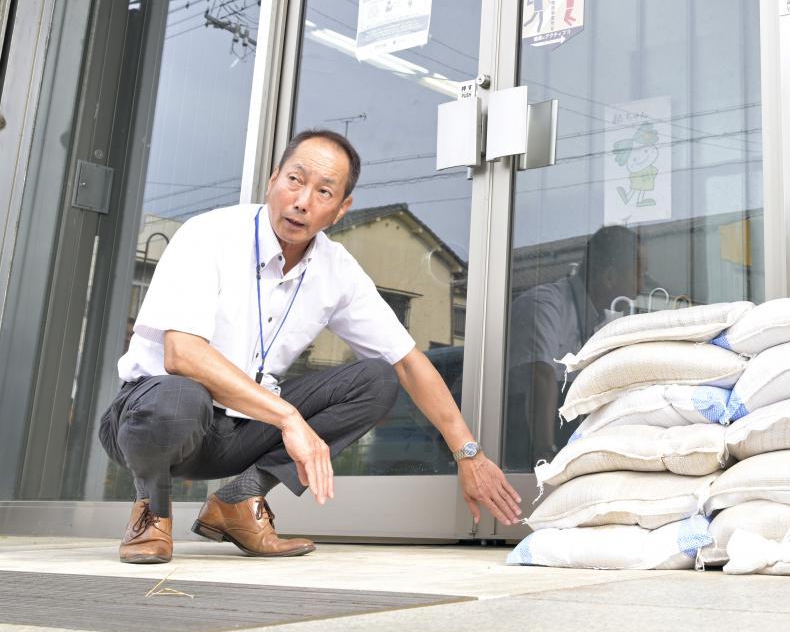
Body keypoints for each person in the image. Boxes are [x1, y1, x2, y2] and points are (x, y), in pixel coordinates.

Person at [98, 129, 521, 564]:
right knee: (180, 392)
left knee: (376, 379)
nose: (302, 201)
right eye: (295, 181)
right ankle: (151, 511)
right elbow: (181, 355)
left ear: (341, 209)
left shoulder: (336, 270)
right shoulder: (209, 234)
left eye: (323, 192)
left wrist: (468, 454)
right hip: (150, 418)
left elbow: (409, 363)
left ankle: (240, 501)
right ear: (273, 179)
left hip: (239, 429)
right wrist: (289, 418)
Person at [504, 226, 643, 468]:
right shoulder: (545, 305)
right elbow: (541, 378)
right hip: (516, 444)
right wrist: (546, 455)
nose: (641, 287)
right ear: (610, 277)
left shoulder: (602, 322)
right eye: (639, 274)